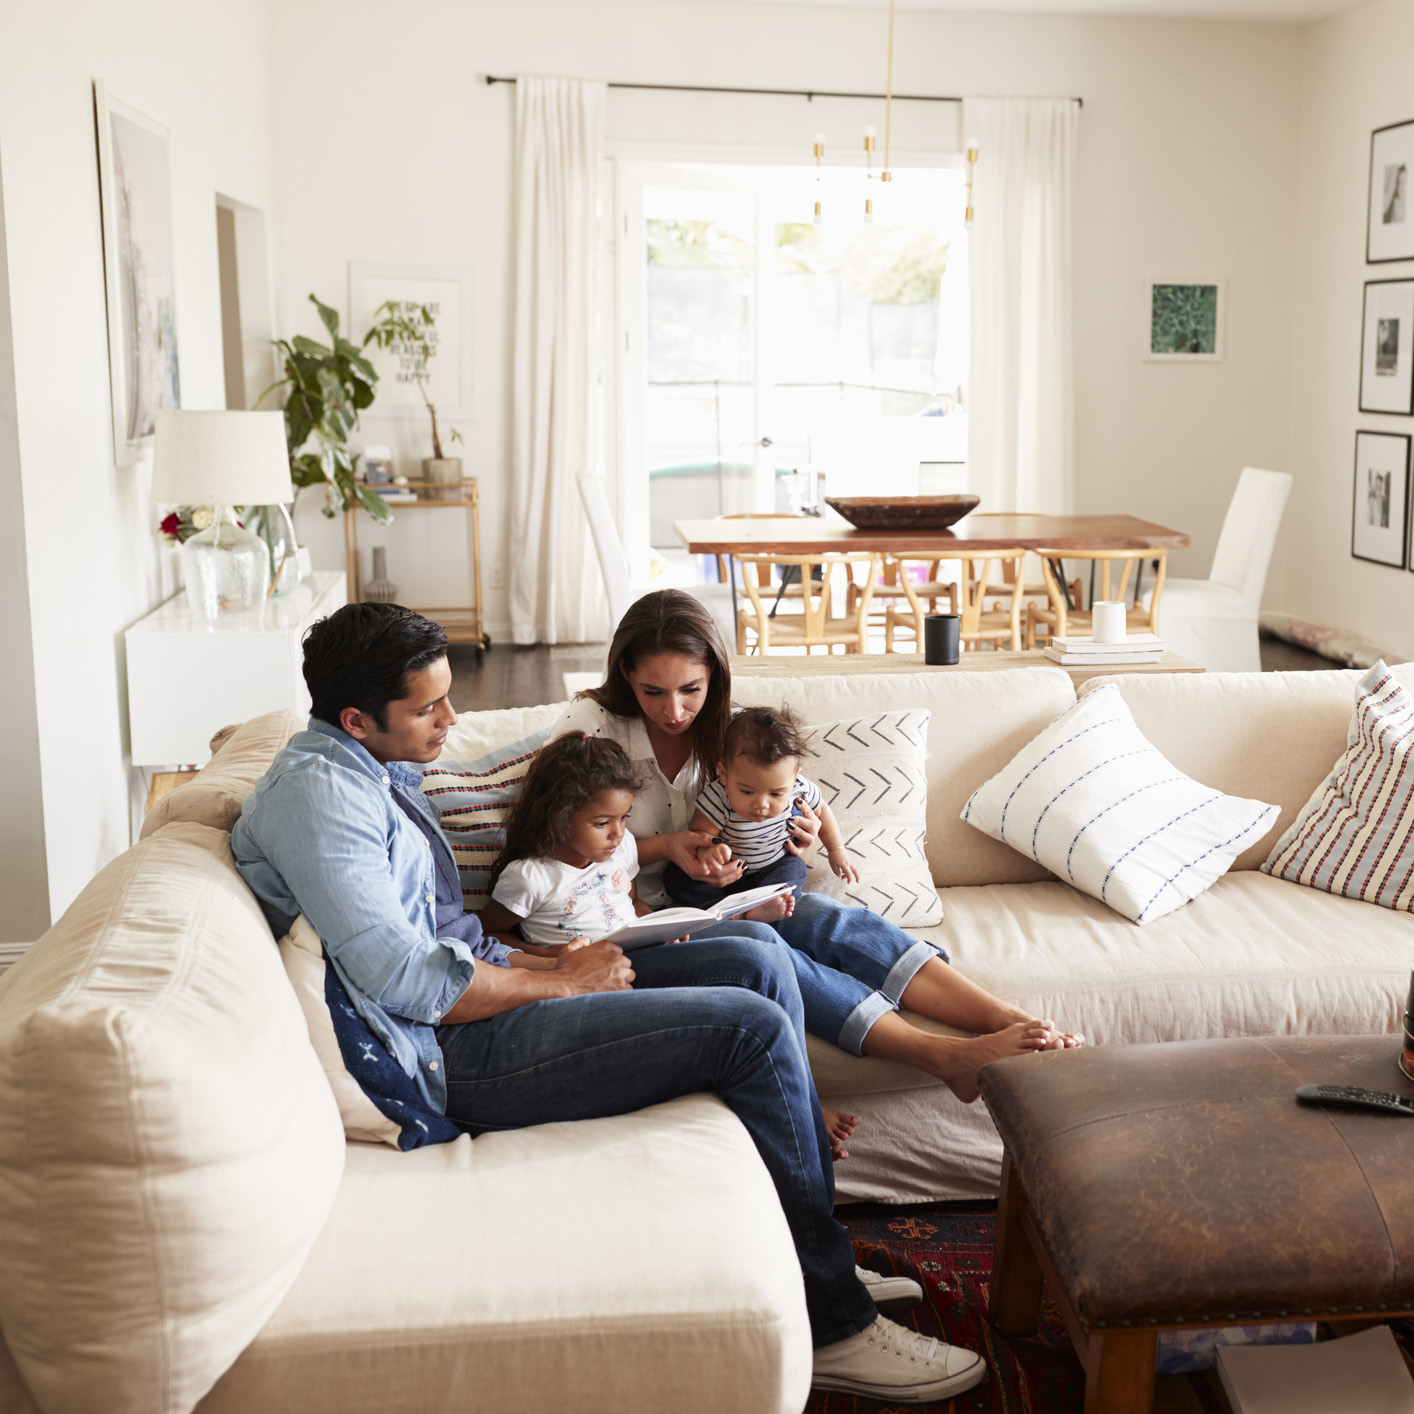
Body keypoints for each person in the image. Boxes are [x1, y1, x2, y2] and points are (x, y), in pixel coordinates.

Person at [229, 601, 987, 1404]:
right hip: (446, 1055)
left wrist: (553, 955)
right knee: (756, 1032)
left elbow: (446, 939)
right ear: (356, 717)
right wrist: (562, 979)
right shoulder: (324, 800)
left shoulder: (370, 765)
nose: (453, 718)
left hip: (494, 983)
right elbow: (409, 983)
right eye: (428, 707)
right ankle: (835, 1322)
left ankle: (813, 1252)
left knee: (757, 953)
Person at [531, 590, 1082, 1104]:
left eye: (690, 690)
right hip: (634, 920)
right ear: (624, 673)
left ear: (713, 678)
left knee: (829, 919)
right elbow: (553, 843)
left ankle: (1005, 1018)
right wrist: (669, 847)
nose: (674, 711)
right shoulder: (591, 727)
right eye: (653, 691)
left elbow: (784, 802)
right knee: (775, 954)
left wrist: (809, 837)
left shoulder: (730, 732)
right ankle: (945, 1056)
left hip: (721, 897)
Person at [663, 705, 856, 920]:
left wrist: (836, 849)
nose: (761, 804)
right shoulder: (719, 797)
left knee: (795, 868)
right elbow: (698, 836)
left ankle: (762, 907)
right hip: (725, 876)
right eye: (747, 791)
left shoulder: (800, 788)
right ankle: (726, 912)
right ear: (724, 774)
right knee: (675, 877)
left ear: (794, 777)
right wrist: (707, 854)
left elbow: (823, 812)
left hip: (772, 867)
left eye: (776, 794)